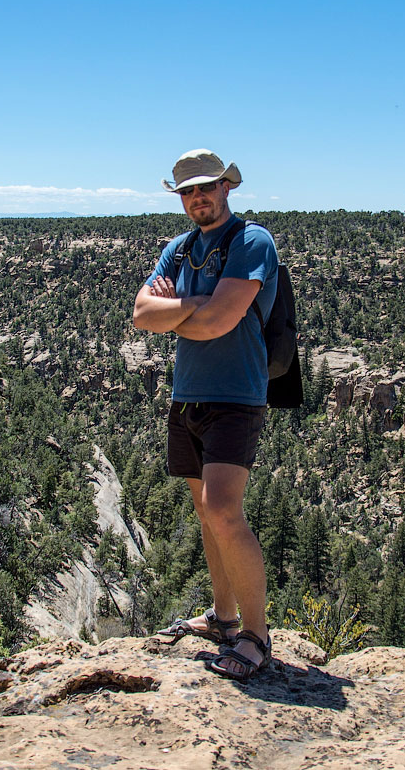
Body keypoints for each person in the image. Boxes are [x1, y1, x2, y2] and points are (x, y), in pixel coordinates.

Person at [132, 149, 278, 681]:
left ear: (226, 188)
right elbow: (140, 313)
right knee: (205, 513)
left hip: (237, 396)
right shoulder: (179, 247)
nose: (199, 198)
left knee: (223, 510)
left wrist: (182, 309)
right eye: (188, 191)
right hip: (187, 395)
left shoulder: (251, 242)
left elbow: (220, 320)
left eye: (206, 188)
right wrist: (198, 307)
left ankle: (257, 637)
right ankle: (224, 619)